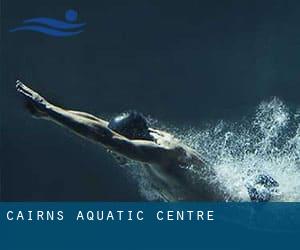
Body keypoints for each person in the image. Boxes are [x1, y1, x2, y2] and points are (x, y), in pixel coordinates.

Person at [15, 80, 277, 201]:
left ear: (132, 140)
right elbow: (99, 126)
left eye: (115, 146)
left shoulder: (161, 154)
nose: (111, 151)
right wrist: (51, 113)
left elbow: (105, 137)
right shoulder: (146, 139)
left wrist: (48, 109)